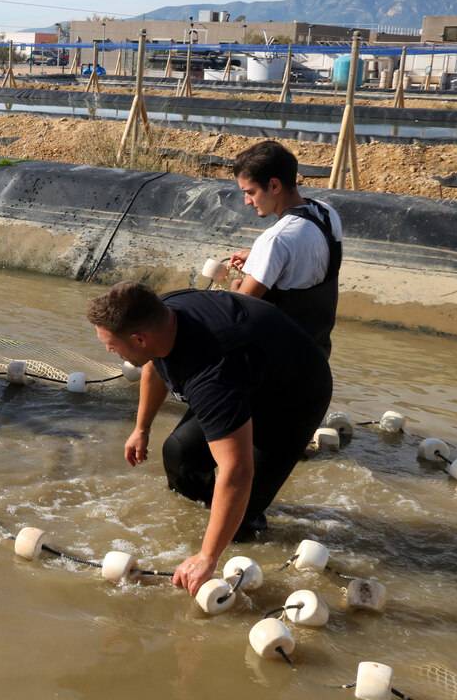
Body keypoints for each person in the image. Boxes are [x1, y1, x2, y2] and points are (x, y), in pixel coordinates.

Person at [87, 282, 332, 597]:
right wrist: (142, 428)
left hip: (293, 396)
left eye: (111, 345)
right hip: (248, 368)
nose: (109, 351)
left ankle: (231, 533)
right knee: (179, 454)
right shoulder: (161, 315)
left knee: (241, 521)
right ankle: (213, 516)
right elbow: (154, 366)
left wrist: (208, 557)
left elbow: (237, 469)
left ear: (139, 338)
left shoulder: (211, 373)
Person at [227, 141, 343, 357]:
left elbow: (240, 309)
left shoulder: (275, 240)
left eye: (250, 192)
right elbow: (311, 265)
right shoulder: (326, 213)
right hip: (317, 353)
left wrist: (235, 286)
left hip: (280, 361)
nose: (247, 201)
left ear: (274, 186)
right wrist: (258, 258)